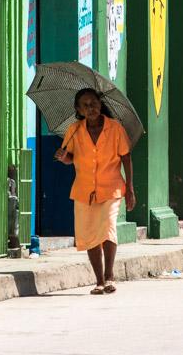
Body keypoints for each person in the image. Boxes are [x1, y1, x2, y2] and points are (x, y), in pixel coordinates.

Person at [55, 88, 135, 295]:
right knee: (89, 235)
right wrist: (64, 158)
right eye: (85, 105)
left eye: (94, 103)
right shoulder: (74, 130)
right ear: (79, 109)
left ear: (101, 105)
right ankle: (99, 281)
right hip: (83, 190)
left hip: (112, 187)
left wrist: (130, 189)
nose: (91, 108)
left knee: (108, 228)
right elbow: (70, 156)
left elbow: (126, 157)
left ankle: (110, 276)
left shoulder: (115, 128)